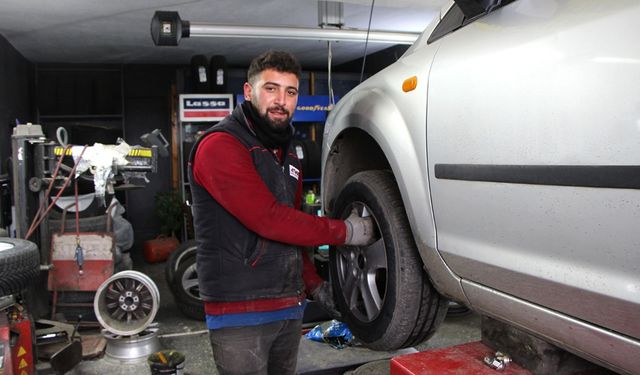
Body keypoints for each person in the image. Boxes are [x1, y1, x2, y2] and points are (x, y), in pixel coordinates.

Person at [188, 50, 375, 375]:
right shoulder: (220, 145)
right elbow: (268, 219)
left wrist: (313, 284)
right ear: (249, 92)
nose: (281, 100)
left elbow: (292, 230)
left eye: (290, 92)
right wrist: (347, 231)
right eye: (270, 89)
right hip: (239, 310)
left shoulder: (288, 156)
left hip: (287, 306)